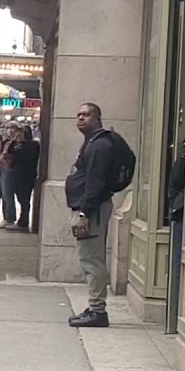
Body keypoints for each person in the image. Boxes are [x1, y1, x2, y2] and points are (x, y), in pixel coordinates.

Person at [67, 102, 117, 329]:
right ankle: (95, 306)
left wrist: (85, 213)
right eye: (78, 115)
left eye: (86, 115)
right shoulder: (93, 143)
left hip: (91, 209)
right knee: (89, 258)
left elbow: (95, 183)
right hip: (88, 207)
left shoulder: (100, 146)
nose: (80, 118)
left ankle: (98, 311)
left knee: (91, 259)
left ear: (97, 118)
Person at [0, 123, 40, 231]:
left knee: (24, 199)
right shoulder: (14, 144)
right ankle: (21, 220)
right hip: (17, 174)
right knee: (19, 197)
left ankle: (23, 222)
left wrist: (21, 144)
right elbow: (7, 155)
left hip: (27, 175)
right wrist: (14, 142)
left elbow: (30, 157)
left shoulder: (33, 145)